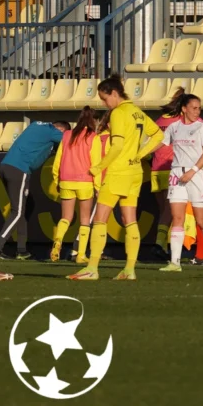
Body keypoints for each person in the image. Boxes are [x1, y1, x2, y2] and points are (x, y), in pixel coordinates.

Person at [68, 75, 163, 281]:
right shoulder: (137, 112)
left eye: (104, 98)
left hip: (118, 171)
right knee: (129, 220)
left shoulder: (118, 113)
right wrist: (141, 154)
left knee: (100, 219)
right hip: (135, 172)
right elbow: (158, 135)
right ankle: (129, 270)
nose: (104, 103)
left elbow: (117, 146)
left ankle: (91, 268)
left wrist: (98, 167)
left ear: (114, 93)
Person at [157, 92, 203, 272]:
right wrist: (138, 151)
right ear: (184, 109)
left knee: (201, 219)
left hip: (197, 175)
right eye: (194, 108)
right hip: (177, 174)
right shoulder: (174, 127)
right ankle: (175, 262)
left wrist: (193, 171)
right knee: (177, 217)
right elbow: (160, 143)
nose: (197, 111)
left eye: (199, 108)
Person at [0, 120, 70, 261]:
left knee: (24, 207)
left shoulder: (36, 125)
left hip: (6, 165)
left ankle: (22, 250)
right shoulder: (53, 132)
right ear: (61, 130)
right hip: (20, 169)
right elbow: (71, 142)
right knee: (18, 211)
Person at [50, 107, 98, 263]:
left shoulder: (67, 135)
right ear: (94, 121)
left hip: (66, 180)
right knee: (85, 220)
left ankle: (58, 241)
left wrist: (57, 179)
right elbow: (96, 163)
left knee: (66, 217)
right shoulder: (93, 137)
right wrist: (97, 186)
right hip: (85, 181)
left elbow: (58, 160)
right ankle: (81, 255)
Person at [149, 90, 184, 258]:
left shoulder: (158, 121)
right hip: (171, 168)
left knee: (164, 210)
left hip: (155, 169)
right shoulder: (180, 122)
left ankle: (162, 247)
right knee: (170, 211)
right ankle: (159, 243)